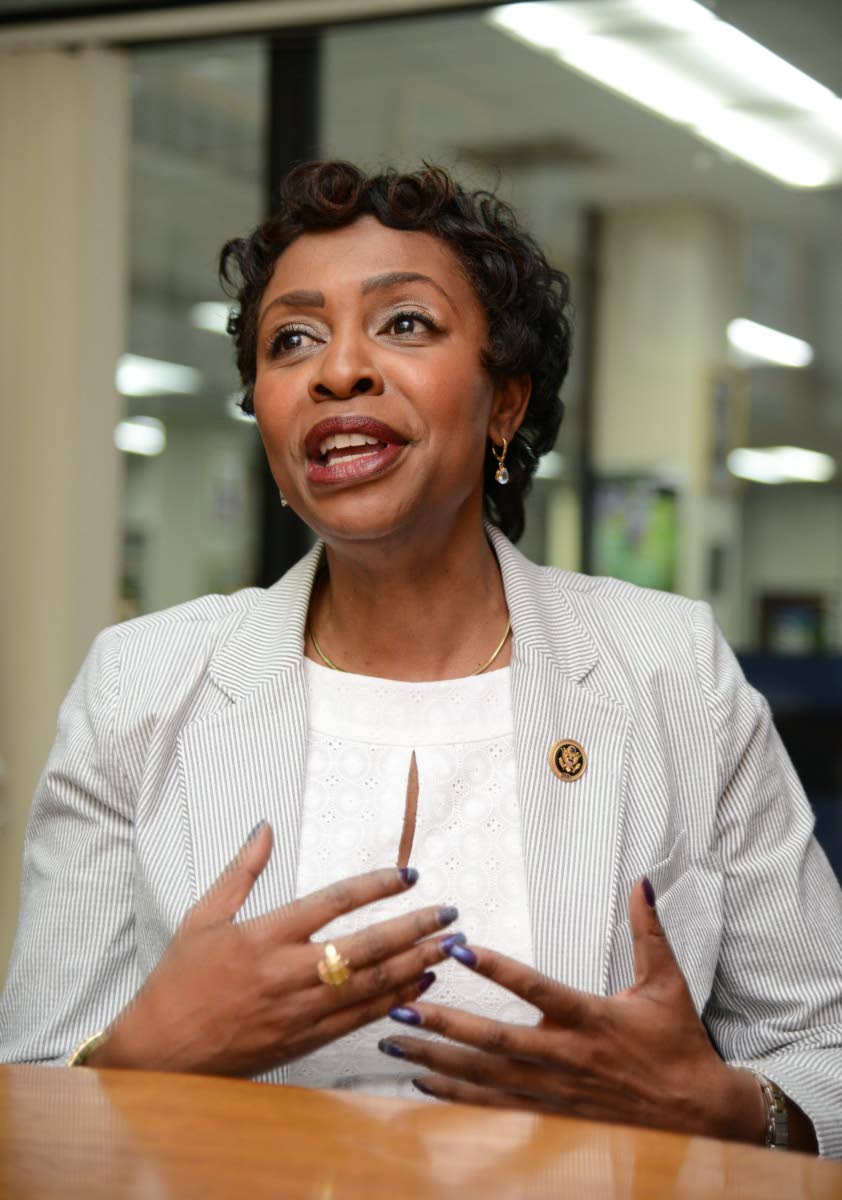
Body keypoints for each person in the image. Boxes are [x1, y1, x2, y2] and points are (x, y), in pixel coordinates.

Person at [1, 161, 841, 1156]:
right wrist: (147, 1052)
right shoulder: (140, 686)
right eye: (292, 340)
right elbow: (33, 1092)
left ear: (503, 405)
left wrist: (724, 1109)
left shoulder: (667, 670)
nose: (337, 370)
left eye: (403, 323)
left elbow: (820, 1043)